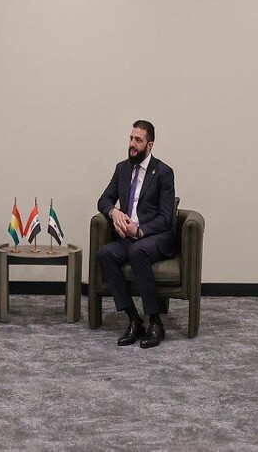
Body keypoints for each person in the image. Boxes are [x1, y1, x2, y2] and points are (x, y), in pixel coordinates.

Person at [96, 120, 176, 349]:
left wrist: (139, 231)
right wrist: (114, 212)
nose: (132, 144)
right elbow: (103, 200)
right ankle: (133, 319)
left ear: (149, 145)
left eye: (138, 140)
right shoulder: (122, 168)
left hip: (154, 237)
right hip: (129, 237)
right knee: (104, 254)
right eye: (131, 138)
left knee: (137, 250)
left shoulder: (163, 172)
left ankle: (155, 322)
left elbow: (166, 218)